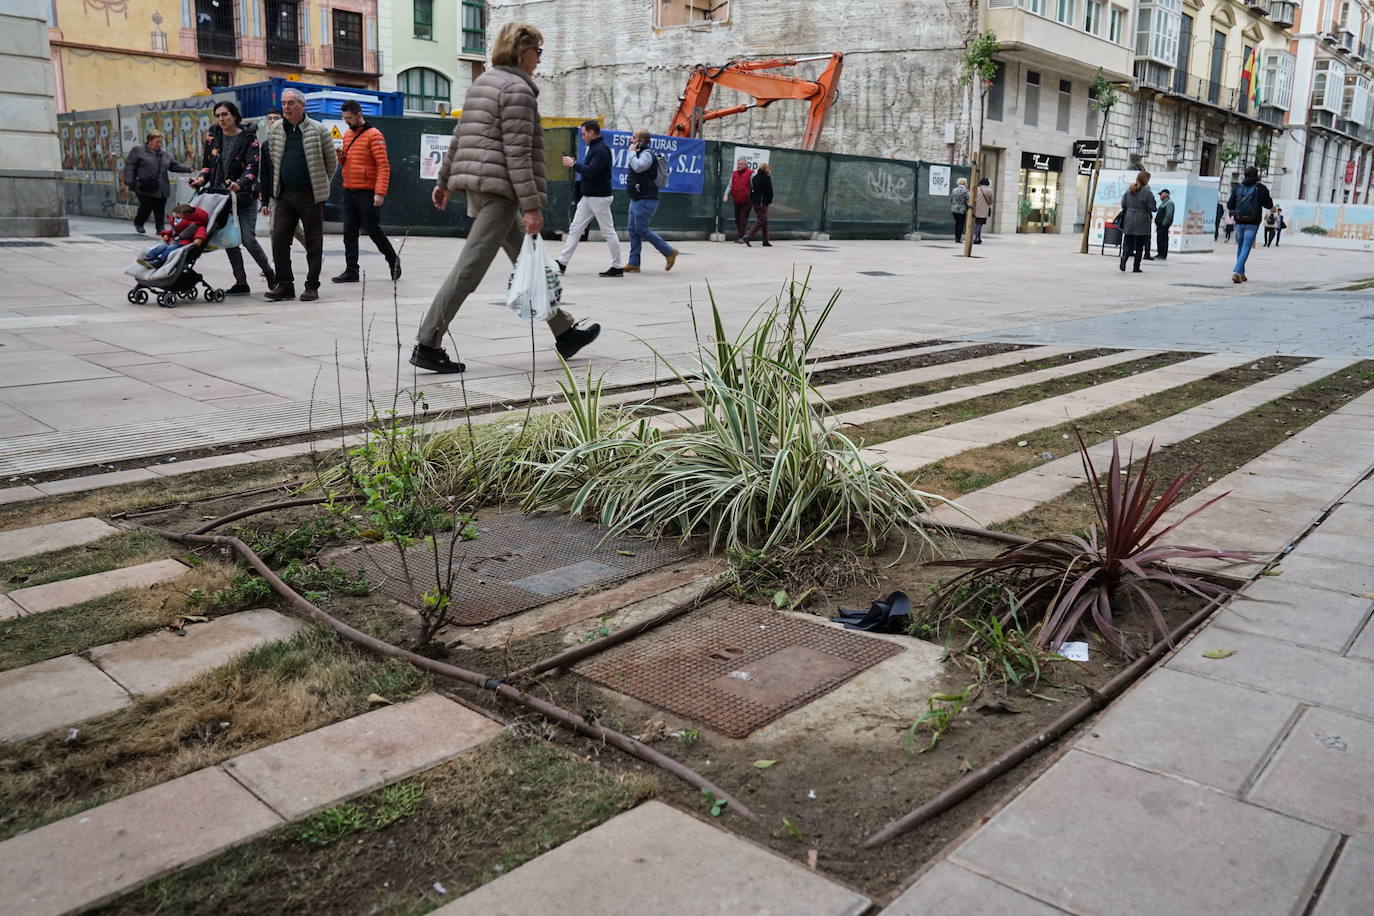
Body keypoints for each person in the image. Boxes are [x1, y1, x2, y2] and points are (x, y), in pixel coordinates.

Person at [411, 21, 600, 374]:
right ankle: (427, 342)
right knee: (470, 267)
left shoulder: (483, 82)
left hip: (482, 186)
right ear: (521, 50)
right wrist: (531, 206)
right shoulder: (517, 90)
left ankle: (564, 331)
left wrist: (444, 179)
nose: (539, 59)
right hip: (500, 191)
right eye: (537, 52)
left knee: (529, 261)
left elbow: (459, 135)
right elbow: (519, 153)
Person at [258, 87, 337, 302]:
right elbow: (274, 160)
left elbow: (332, 163)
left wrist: (319, 185)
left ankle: (312, 286)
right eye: (284, 103)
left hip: (310, 196)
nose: (286, 107)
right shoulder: (275, 130)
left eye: (291, 103)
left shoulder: (319, 130)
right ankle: (285, 285)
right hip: (284, 195)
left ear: (302, 105)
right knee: (279, 241)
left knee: (313, 242)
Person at [188, 101, 274, 296]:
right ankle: (241, 282)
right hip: (221, 198)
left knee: (248, 239)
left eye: (225, 114)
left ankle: (270, 274)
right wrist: (200, 180)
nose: (221, 119)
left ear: (234, 115)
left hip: (244, 197)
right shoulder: (213, 137)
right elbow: (207, 166)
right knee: (230, 240)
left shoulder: (249, 138)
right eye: (218, 115)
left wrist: (240, 183)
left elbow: (252, 167)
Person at [333, 99, 401, 284]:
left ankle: (393, 259)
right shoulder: (347, 134)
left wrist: (380, 193)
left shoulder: (374, 135)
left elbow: (383, 166)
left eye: (349, 118)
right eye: (344, 117)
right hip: (349, 190)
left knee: (372, 229)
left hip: (367, 192)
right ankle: (351, 271)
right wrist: (341, 157)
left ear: (358, 115)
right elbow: (346, 163)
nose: (346, 121)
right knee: (349, 232)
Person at [557, 121, 622, 276]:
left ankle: (617, 266)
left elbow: (591, 171)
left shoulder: (601, 150)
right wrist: (576, 164)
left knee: (608, 231)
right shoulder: (596, 148)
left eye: (584, 133)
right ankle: (562, 262)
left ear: (592, 133)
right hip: (590, 197)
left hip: (598, 198)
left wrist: (574, 164)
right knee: (575, 228)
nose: (583, 137)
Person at [623, 128, 679, 272]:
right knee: (633, 230)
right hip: (636, 197)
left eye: (634, 138)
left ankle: (669, 251)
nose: (631, 140)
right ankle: (634, 262)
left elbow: (638, 166)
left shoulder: (647, 154)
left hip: (646, 198)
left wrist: (631, 152)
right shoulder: (638, 153)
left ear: (642, 141)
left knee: (641, 229)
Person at [121, 131, 194, 235]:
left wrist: (188, 169)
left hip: (161, 186)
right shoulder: (138, 151)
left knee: (160, 207)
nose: (159, 144)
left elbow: (173, 166)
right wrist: (130, 182)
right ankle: (139, 223)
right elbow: (130, 166)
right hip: (143, 185)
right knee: (147, 205)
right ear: (149, 141)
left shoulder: (164, 155)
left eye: (160, 142)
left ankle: (160, 228)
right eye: (157, 142)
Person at [1226, 165, 1274, 283]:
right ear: (1257, 175)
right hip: (1253, 222)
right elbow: (1268, 204)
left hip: (1239, 220)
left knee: (1240, 247)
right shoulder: (1261, 188)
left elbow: (1230, 206)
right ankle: (1236, 271)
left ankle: (1241, 273)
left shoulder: (1237, 188)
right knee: (1247, 246)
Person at [136, 202, 208, 268]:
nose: (176, 220)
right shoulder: (178, 224)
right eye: (175, 218)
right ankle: (149, 257)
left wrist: (198, 239)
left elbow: (201, 232)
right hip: (173, 241)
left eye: (178, 218)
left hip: (184, 243)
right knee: (162, 246)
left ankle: (159, 261)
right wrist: (166, 234)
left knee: (171, 248)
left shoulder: (195, 225)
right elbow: (173, 231)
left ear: (187, 217)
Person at [1118, 170, 1156, 274]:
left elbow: (1123, 204)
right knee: (1140, 244)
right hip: (1142, 220)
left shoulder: (1129, 190)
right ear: (1146, 180)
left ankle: (1124, 258)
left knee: (1127, 242)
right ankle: (1136, 266)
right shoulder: (1147, 193)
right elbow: (1153, 207)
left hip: (1129, 219)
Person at [740, 162, 773, 246]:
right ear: (767, 169)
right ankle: (748, 236)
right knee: (761, 220)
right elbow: (769, 191)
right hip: (762, 202)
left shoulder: (755, 178)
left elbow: (752, 190)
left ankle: (765, 241)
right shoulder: (766, 178)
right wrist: (769, 200)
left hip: (755, 202)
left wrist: (752, 200)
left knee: (764, 221)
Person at [724, 157, 754, 241]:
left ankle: (742, 237)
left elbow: (754, 186)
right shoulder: (734, 174)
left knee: (743, 219)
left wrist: (752, 196)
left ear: (745, 165)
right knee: (737, 219)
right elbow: (730, 185)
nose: (738, 166)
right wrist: (726, 194)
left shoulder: (751, 173)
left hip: (747, 201)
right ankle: (742, 236)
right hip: (737, 200)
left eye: (740, 164)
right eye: (738, 164)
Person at [1154, 188, 1175, 261]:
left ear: (1166, 194)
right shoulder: (1163, 203)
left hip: (1163, 226)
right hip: (1160, 226)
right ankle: (1160, 253)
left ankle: (1162, 254)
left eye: (1161, 194)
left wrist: (1163, 224)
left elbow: (1169, 215)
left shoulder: (1169, 203)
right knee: (1159, 239)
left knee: (1163, 240)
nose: (1160, 196)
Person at [973, 178, 993, 243]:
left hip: (977, 208)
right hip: (984, 209)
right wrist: (987, 204)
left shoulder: (977, 189)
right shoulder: (990, 190)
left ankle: (977, 237)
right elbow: (991, 200)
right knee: (980, 224)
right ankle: (977, 238)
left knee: (977, 223)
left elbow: (973, 198)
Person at [950, 177, 969, 243]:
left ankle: (956, 237)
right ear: (964, 183)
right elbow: (968, 198)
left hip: (954, 209)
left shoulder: (954, 190)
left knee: (957, 223)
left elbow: (951, 199)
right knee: (961, 224)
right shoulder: (965, 190)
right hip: (962, 209)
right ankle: (958, 238)